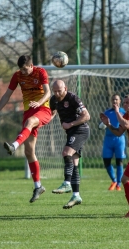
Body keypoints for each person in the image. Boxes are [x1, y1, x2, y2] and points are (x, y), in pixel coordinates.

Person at [0, 55, 51, 203]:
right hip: (28, 111)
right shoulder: (17, 76)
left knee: (30, 122)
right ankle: (38, 186)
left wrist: (39, 102)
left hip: (43, 109)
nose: (23, 72)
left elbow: (48, 92)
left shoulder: (41, 72)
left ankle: (14, 145)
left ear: (31, 66)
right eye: (21, 69)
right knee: (29, 152)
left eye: (25, 69)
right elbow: (6, 96)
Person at [49, 80, 90, 209]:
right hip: (71, 132)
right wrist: (45, 120)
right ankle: (76, 195)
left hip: (80, 130)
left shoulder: (73, 98)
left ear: (65, 88)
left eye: (59, 91)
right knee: (74, 164)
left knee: (66, 153)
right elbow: (52, 112)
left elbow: (86, 116)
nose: (57, 93)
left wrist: (70, 124)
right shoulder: (53, 100)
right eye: (54, 91)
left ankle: (66, 183)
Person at [99, 94, 126, 191]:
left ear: (120, 101)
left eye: (116, 99)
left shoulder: (123, 112)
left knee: (119, 161)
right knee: (106, 161)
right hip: (108, 139)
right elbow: (101, 125)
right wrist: (102, 125)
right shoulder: (107, 112)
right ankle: (114, 180)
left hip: (119, 139)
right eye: (113, 99)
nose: (115, 101)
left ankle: (118, 183)